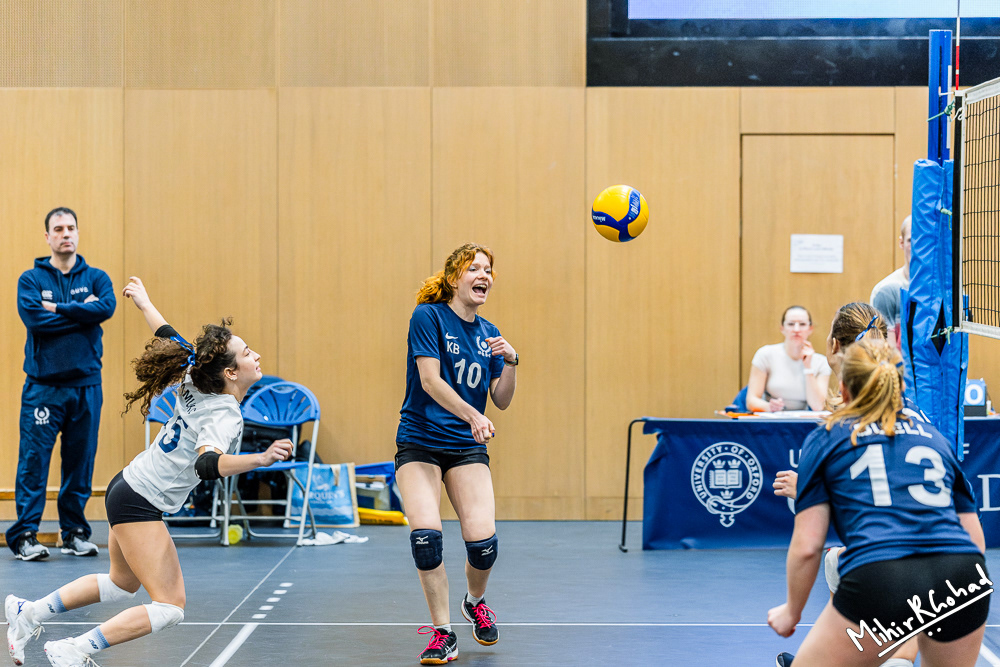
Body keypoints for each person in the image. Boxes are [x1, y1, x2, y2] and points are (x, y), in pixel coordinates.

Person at [4, 277, 292, 667]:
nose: (255, 354)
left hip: (128, 486)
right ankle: (74, 649)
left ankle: (30, 612)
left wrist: (144, 302)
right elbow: (208, 464)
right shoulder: (222, 413)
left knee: (122, 584)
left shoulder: (197, 375)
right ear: (230, 372)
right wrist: (261, 458)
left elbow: (167, 334)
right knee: (170, 606)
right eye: (246, 352)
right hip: (140, 502)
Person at [767, 338, 988, 667]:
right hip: (961, 575)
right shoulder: (934, 438)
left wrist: (791, 611)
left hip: (883, 575)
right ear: (900, 388)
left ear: (843, 390)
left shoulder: (828, 436)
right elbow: (974, 536)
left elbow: (808, 546)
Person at [395, 243, 517, 665]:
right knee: (426, 539)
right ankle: (443, 634)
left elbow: (500, 400)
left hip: (465, 447)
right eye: (474, 268)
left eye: (488, 270)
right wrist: (472, 415)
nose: (484, 275)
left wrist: (513, 361)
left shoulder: (488, 334)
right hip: (420, 441)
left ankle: (474, 601)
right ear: (453, 278)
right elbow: (429, 381)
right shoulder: (427, 316)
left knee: (483, 544)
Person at [7, 208, 117, 562]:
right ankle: (25, 535)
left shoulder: (98, 277)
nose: (65, 233)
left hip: (86, 386)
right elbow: (35, 320)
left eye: (70, 228)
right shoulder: (30, 279)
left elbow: (106, 308)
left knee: (80, 463)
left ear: (78, 233)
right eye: (58, 229)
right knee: (33, 463)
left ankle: (74, 533)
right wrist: (81, 313)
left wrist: (57, 307)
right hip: (43, 387)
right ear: (48, 237)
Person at [747, 306, 831, 412]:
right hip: (772, 419)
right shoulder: (765, 354)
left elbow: (818, 406)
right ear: (782, 328)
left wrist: (808, 367)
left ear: (810, 329)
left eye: (802, 324)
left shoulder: (821, 362)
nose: (796, 330)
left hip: (805, 423)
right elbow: (751, 400)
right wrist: (769, 407)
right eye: (791, 324)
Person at [869, 215, 911, 349]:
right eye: (911, 240)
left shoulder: (946, 291)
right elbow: (886, 353)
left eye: (922, 241)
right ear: (901, 243)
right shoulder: (885, 291)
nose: (917, 248)